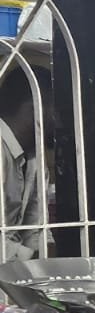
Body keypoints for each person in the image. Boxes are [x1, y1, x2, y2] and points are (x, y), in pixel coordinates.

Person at [0, 61, 51, 260]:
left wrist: (49, 259)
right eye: (56, 110)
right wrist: (35, 259)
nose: (60, 119)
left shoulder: (34, 157)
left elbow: (37, 229)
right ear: (35, 110)